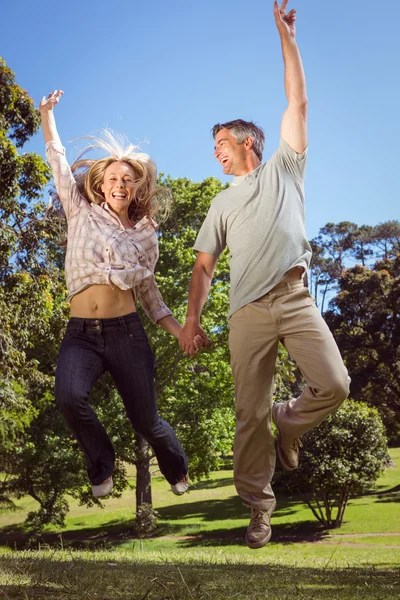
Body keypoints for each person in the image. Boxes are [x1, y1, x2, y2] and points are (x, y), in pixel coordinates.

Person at [179, 1, 350, 549]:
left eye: (221, 145)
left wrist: (286, 37)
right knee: (248, 416)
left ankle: (291, 422)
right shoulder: (220, 205)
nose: (216, 155)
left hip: (295, 298)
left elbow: (297, 99)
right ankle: (259, 509)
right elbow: (203, 267)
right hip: (247, 312)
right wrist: (190, 321)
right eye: (213, 149)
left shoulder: (285, 167)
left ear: (247, 141)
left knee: (336, 384)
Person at [40, 90, 196, 499]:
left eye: (127, 179)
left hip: (127, 334)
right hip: (81, 334)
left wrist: (180, 330)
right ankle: (102, 462)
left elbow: (150, 295)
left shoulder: (146, 234)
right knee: (69, 398)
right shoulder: (79, 210)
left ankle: (176, 466)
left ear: (136, 187)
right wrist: (47, 116)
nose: (119, 184)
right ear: (101, 184)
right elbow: (57, 161)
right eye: (112, 178)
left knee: (146, 421)